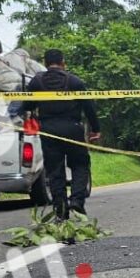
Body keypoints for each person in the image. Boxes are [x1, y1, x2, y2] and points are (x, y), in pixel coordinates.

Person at [21, 49, 100, 220]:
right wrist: (96, 129)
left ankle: (61, 209)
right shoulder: (75, 81)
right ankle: (77, 200)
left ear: (46, 62)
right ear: (63, 62)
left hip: (49, 131)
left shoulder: (37, 82)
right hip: (73, 129)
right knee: (80, 165)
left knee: (55, 172)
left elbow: (26, 105)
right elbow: (89, 107)